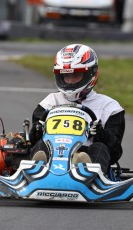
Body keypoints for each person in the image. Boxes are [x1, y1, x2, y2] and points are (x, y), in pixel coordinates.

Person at [29, 44, 125, 174]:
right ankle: (38, 169)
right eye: (66, 76)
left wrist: (101, 134)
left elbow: (115, 152)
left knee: (100, 147)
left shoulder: (109, 107)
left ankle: (86, 171)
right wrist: (37, 129)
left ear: (91, 73)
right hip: (53, 156)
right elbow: (32, 141)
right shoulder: (50, 102)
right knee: (41, 145)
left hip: (88, 157)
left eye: (76, 75)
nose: (70, 81)